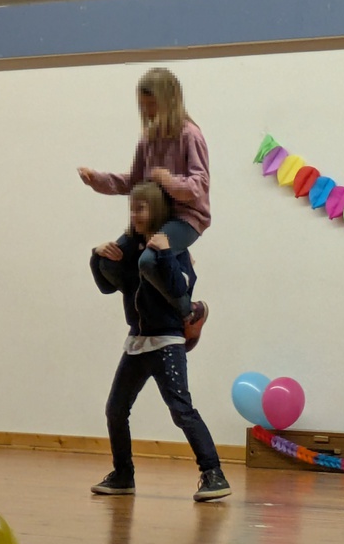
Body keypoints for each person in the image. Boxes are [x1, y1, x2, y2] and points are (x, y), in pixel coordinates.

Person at [89, 182, 231, 502]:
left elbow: (180, 288)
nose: (135, 214)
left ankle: (214, 474)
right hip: (138, 343)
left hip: (166, 342)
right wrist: (97, 258)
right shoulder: (133, 249)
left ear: (157, 210)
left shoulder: (173, 248)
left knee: (181, 410)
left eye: (142, 208)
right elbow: (108, 287)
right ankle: (123, 475)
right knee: (115, 410)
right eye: (132, 208)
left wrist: (165, 254)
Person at [78, 67, 210, 351]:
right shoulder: (148, 138)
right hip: (153, 219)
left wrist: (169, 181)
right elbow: (134, 182)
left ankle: (189, 312)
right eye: (144, 106)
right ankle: (147, 313)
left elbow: (199, 185)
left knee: (149, 260)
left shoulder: (190, 135)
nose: (148, 111)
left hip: (185, 218)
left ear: (170, 101)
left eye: (153, 104)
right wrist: (97, 180)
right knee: (109, 262)